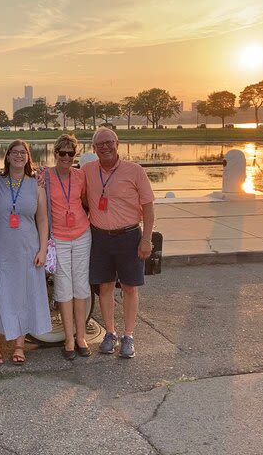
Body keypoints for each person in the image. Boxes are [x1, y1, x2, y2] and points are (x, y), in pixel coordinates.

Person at [82, 127, 155, 358]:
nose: (105, 147)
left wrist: (147, 239)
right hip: (100, 236)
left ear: (117, 144)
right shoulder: (87, 170)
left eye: (108, 142)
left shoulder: (134, 171)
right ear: (93, 149)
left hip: (129, 235)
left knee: (129, 287)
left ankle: (129, 336)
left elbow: (148, 207)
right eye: (100, 144)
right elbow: (70, 187)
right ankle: (110, 333)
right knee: (104, 286)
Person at [0, 139, 51, 365]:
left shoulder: (36, 184)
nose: (19, 156)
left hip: (27, 248)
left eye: (23, 153)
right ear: (7, 156)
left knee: (24, 294)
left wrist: (43, 249)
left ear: (28, 157)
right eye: (14, 152)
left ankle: (20, 344)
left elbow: (42, 219)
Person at [44, 134, 92, 360]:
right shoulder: (44, 176)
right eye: (61, 153)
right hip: (59, 238)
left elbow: (85, 200)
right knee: (64, 287)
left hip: (82, 234)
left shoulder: (81, 175)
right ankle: (69, 338)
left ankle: (81, 336)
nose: (66, 157)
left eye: (70, 153)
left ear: (75, 154)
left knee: (81, 285)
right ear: (55, 154)